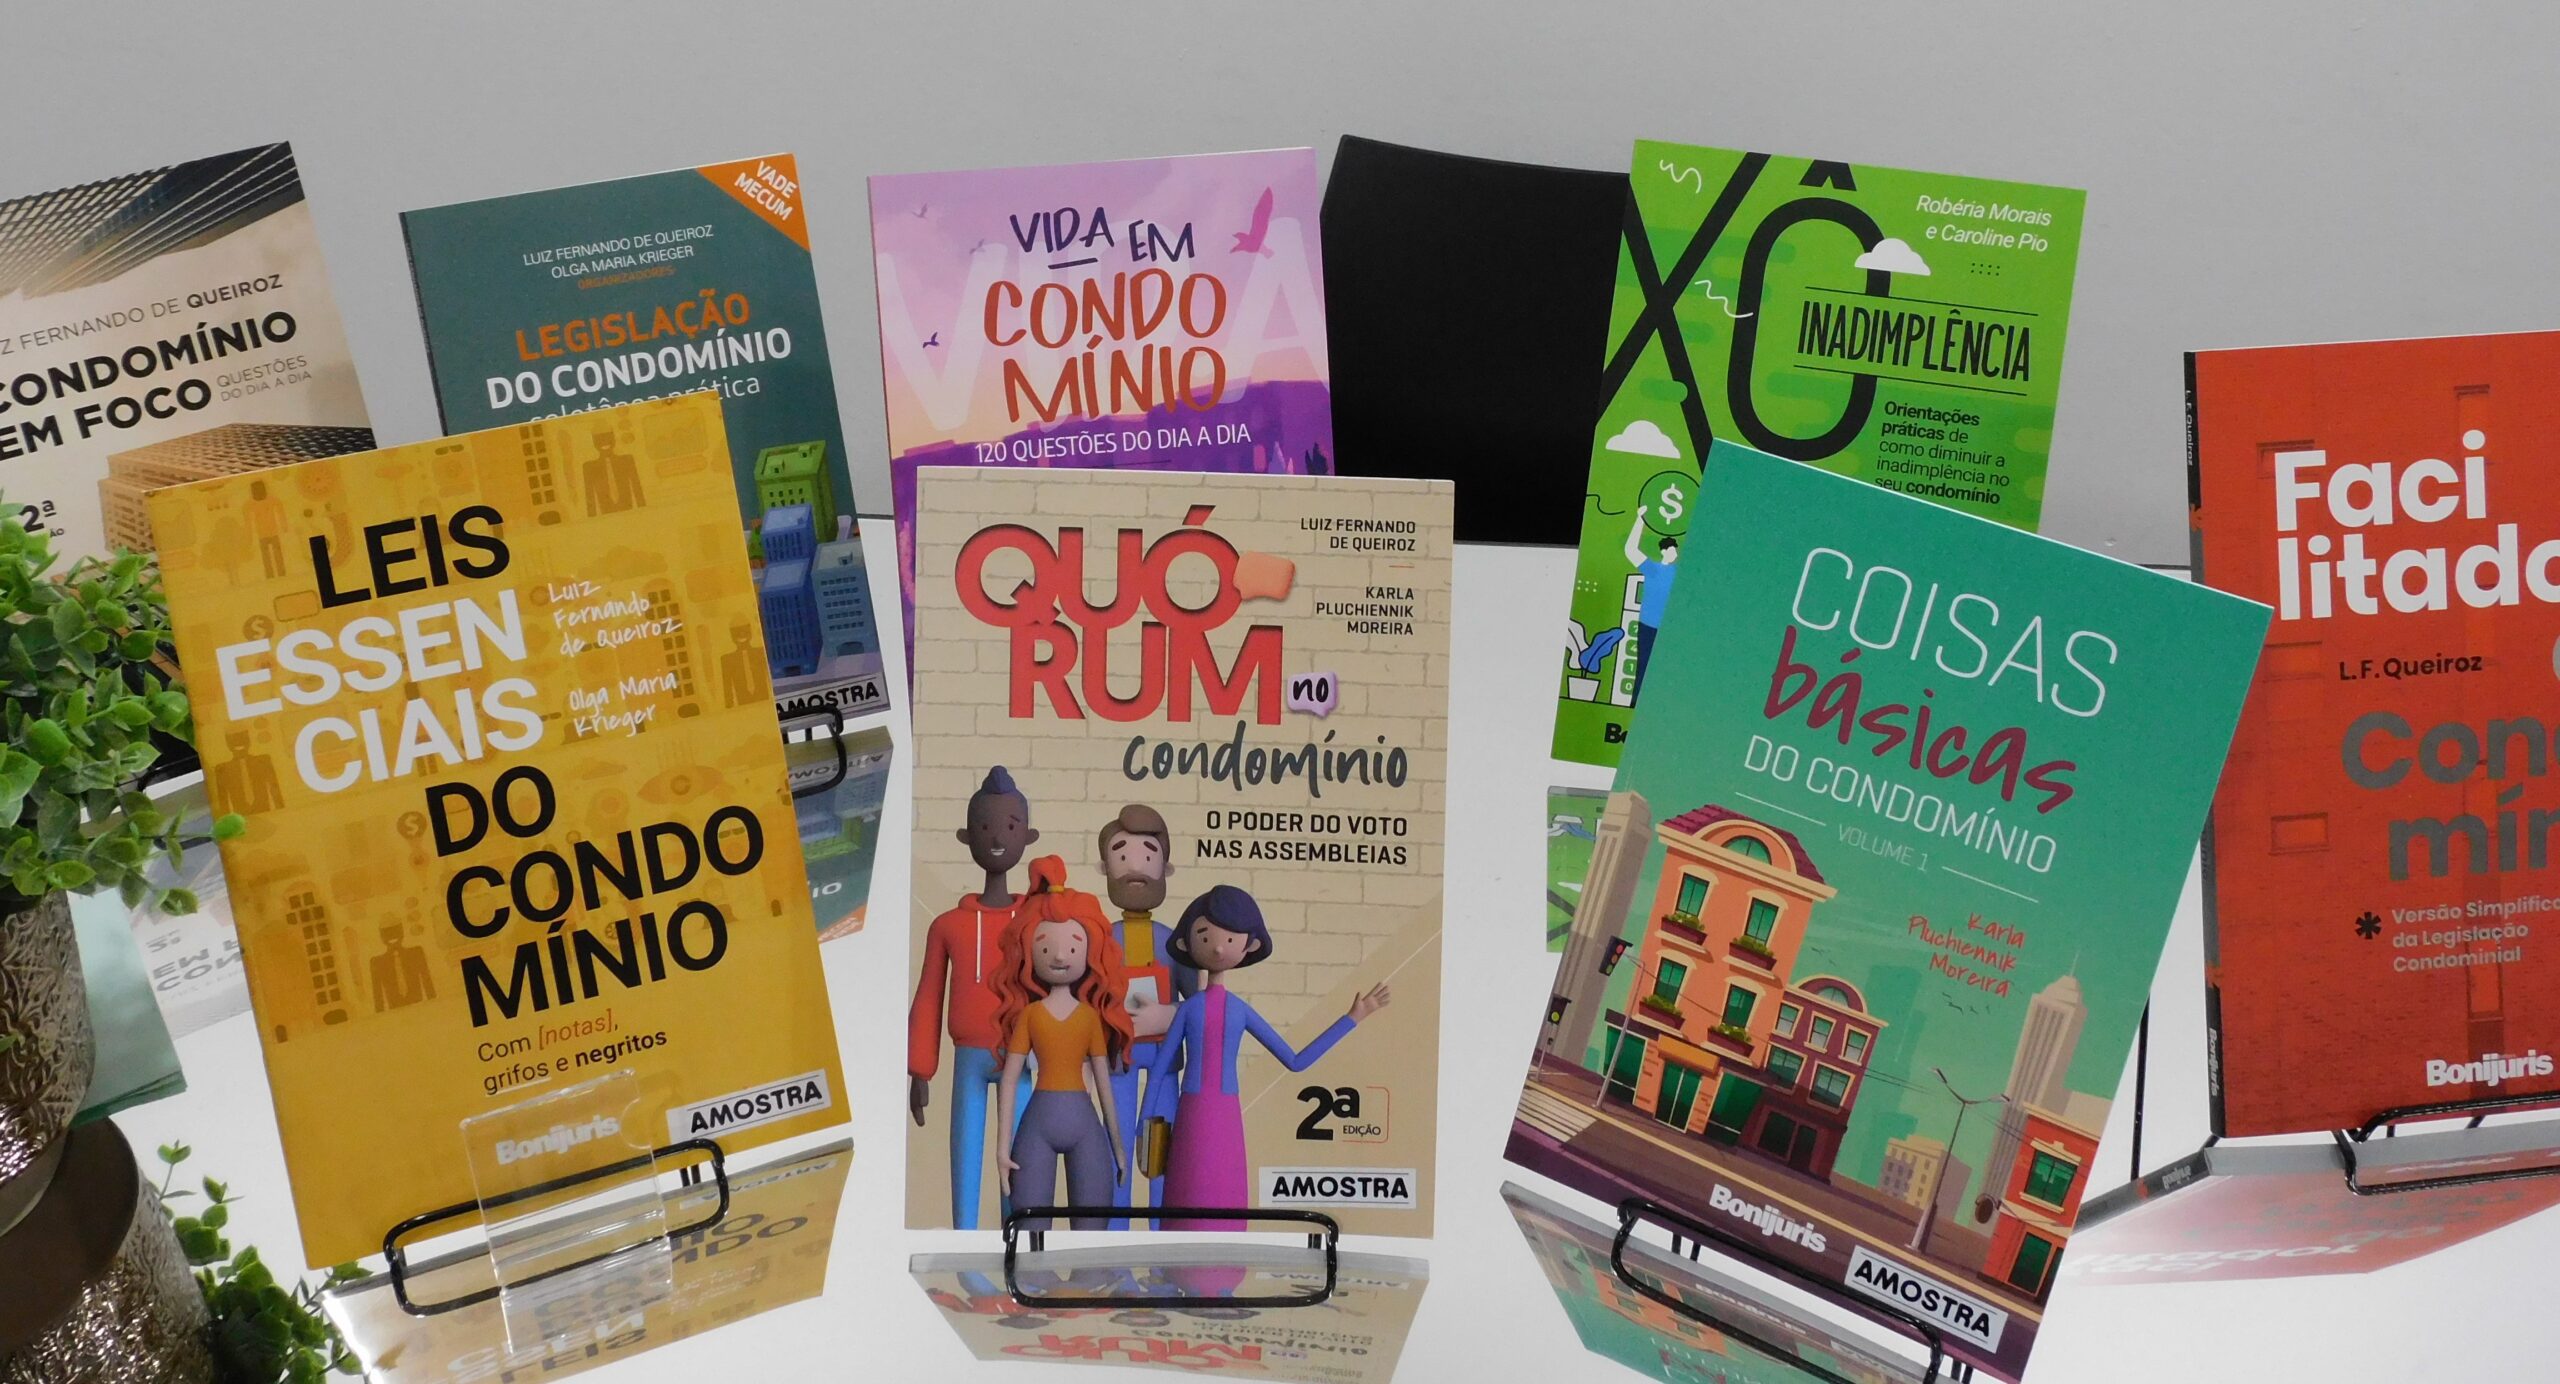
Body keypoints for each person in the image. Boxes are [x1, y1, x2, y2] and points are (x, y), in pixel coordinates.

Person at [1140, 886, 1391, 1230]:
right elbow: (1157, 1071)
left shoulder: (1232, 1010)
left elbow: (1295, 1061)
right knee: (1185, 1198)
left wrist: (1352, 1018)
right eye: (1205, 936)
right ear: (1186, 943)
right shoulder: (1192, 1009)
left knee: (1223, 1201)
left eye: (1230, 939)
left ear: (1249, 945)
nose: (1218, 947)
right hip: (1192, 1119)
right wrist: (1144, 1130)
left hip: (1223, 1119)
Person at [910, 766, 1040, 1228]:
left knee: (1019, 1165)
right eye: (985, 827)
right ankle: (962, 1243)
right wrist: (920, 1068)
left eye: (1010, 826)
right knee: (965, 1160)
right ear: (967, 837)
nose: (998, 838)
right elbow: (929, 996)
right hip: (968, 1056)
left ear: (1028, 836)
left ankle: (1016, 1244)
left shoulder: (1037, 922)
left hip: (1023, 1057)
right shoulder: (948, 925)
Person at [994, 857, 1133, 1231]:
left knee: (1091, 1233)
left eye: (1073, 947)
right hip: (1037, 1125)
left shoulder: (1089, 1017)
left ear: (1091, 953)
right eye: (1045, 948)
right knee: (1029, 1232)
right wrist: (1001, 1150)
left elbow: (1103, 1084)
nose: (1058, 956)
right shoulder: (1030, 1015)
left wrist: (1118, 1147)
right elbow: (1009, 1079)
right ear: (1028, 952)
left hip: (1084, 1125)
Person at [1096, 804, 1196, 1226]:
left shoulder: (1174, 943)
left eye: (1148, 855)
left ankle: (1162, 1229)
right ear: (1105, 869)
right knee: (1115, 1142)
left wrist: (1169, 1015)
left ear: (1166, 869)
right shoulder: (1101, 940)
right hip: (1116, 1060)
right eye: (1122, 855)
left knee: (1162, 1146)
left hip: (1164, 1062)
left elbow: (1199, 1005)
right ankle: (1114, 1231)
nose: (1135, 867)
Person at [1623, 506, 1681, 700]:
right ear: (1664, 551)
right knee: (1643, 668)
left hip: (1670, 628)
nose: (1675, 553)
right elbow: (1631, 550)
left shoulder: (1680, 572)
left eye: (1676, 550)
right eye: (1672, 550)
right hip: (1648, 626)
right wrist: (1640, 519)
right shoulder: (1653, 569)